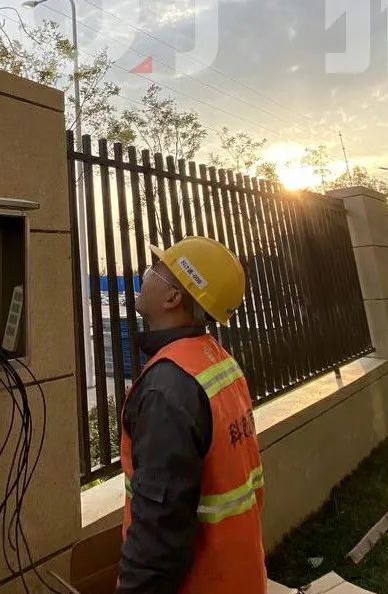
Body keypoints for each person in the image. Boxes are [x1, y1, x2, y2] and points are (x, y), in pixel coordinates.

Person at [118, 236, 267, 594]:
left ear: (172, 298)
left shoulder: (167, 388)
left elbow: (159, 530)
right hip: (239, 577)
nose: (145, 274)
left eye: (156, 269)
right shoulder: (215, 360)